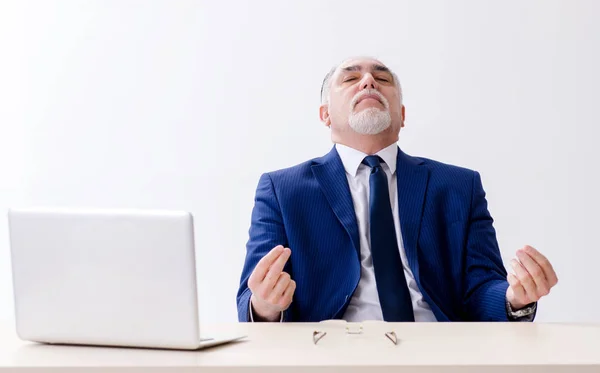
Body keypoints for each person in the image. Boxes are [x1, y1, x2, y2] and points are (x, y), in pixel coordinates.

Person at [236, 56, 558, 322]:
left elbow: (482, 287)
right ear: (326, 115)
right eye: (350, 79)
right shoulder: (282, 190)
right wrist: (265, 305)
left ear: (401, 116)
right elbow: (251, 301)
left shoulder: (460, 186)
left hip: (438, 351)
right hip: (330, 352)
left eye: (382, 79)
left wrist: (515, 299)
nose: (368, 82)